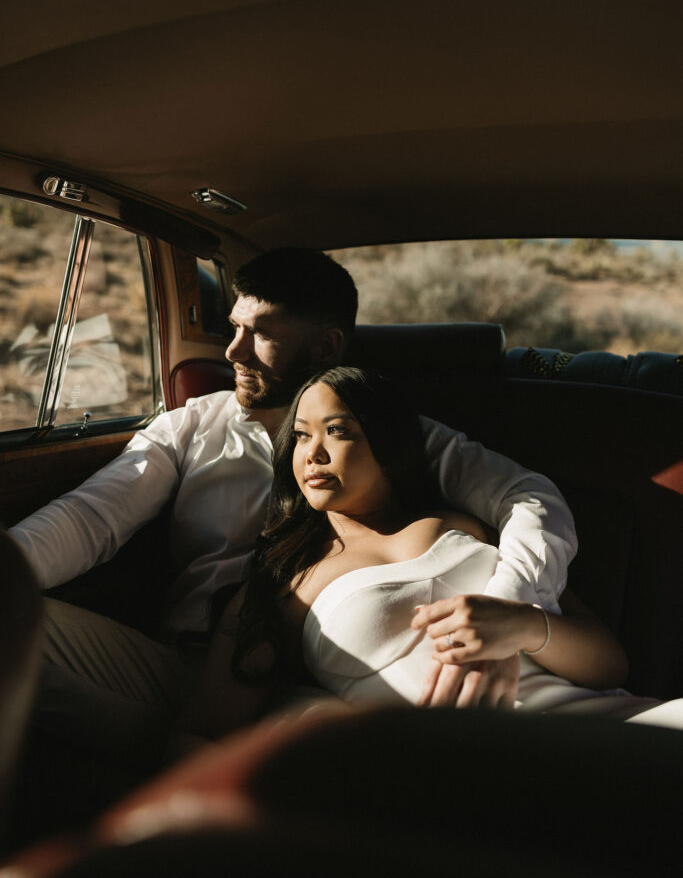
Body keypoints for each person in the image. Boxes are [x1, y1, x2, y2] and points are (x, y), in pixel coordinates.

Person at [8, 249, 578, 753]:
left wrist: (512, 610)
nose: (232, 350)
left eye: (260, 333)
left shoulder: (399, 436)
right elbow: (90, 518)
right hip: (187, 666)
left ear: (325, 345)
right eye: (233, 326)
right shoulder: (191, 427)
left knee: (337, 737)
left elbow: (529, 496)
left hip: (330, 683)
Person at [179, 367, 681, 741]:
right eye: (302, 436)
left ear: (388, 444)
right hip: (481, 773)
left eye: (338, 431)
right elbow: (203, 731)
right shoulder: (285, 581)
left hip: (626, 728)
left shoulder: (467, 524)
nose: (313, 453)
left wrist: (524, 626)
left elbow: (611, 666)